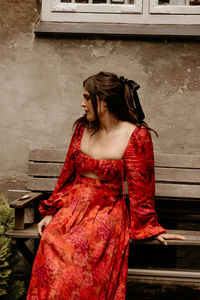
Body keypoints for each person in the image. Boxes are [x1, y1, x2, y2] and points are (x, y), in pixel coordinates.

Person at [27, 71, 185, 300]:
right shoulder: (83, 128)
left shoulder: (136, 134)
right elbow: (67, 176)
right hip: (73, 206)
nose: (82, 104)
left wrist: (148, 227)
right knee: (51, 242)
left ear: (102, 100)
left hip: (106, 210)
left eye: (86, 97)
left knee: (81, 252)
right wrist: (52, 210)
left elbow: (142, 188)